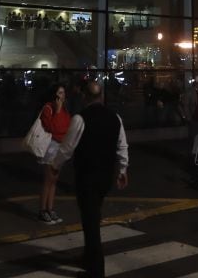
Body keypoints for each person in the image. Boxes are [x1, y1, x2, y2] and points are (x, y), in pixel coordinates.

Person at [51, 81, 129, 278]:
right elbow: (122, 146)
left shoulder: (80, 119)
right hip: (106, 176)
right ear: (101, 96)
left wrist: (55, 166)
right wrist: (122, 170)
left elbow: (67, 148)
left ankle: (96, 270)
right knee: (92, 217)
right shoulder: (115, 118)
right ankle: (88, 257)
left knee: (90, 221)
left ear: (84, 97)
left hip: (87, 176)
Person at [37, 84, 71, 224]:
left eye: (62, 93)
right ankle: (43, 210)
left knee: (54, 180)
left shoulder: (65, 110)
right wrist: (56, 111)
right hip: (51, 146)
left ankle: (50, 209)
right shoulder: (49, 108)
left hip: (60, 146)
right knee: (49, 179)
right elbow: (52, 127)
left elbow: (66, 127)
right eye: (58, 93)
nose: (60, 96)